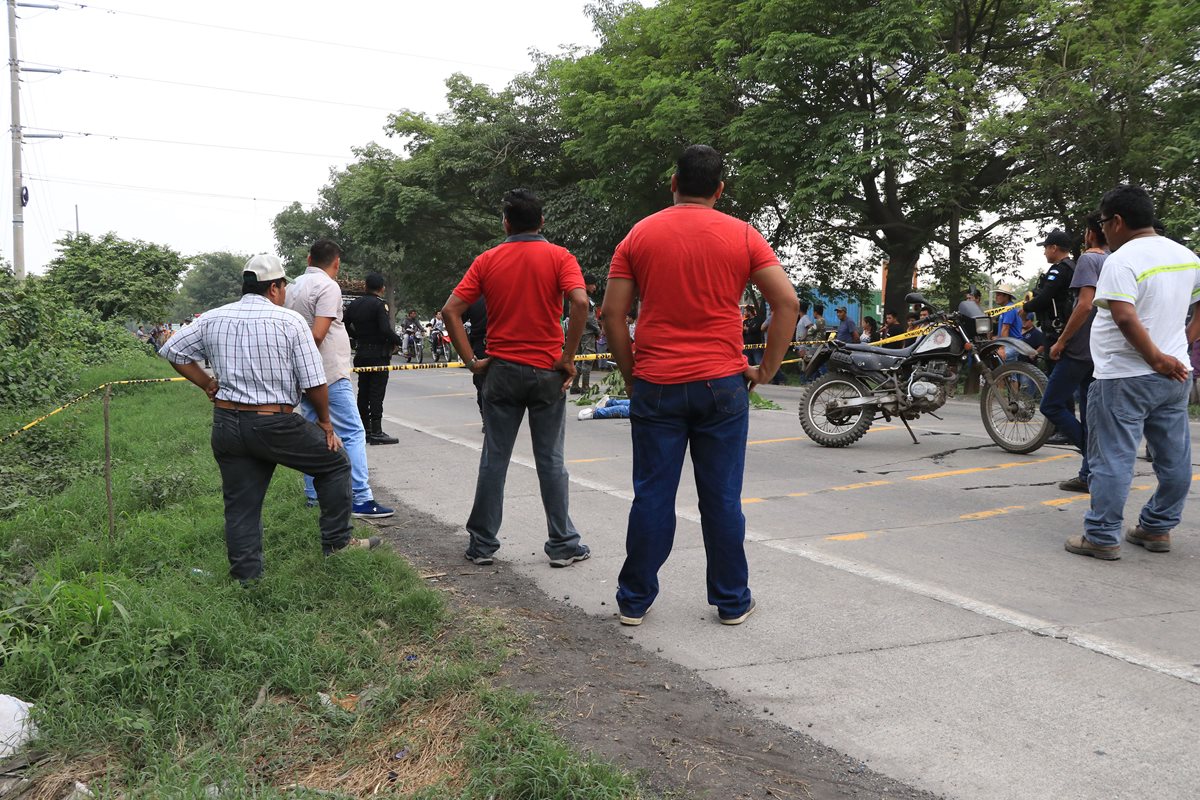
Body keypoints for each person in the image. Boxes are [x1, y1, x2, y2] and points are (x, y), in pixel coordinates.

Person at [602, 144, 799, 627]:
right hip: (722, 385)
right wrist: (766, 370)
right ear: (719, 189)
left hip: (657, 383)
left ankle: (634, 601)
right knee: (721, 498)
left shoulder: (639, 235)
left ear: (673, 183)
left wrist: (632, 375)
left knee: (652, 495)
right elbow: (787, 303)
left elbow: (611, 314)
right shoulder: (743, 235)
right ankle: (731, 601)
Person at [159, 254, 377, 581]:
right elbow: (314, 381)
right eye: (283, 287)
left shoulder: (213, 318)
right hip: (275, 423)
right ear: (274, 287)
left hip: (227, 424)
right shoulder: (290, 321)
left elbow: (172, 350)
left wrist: (206, 384)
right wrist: (325, 423)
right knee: (335, 463)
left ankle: (246, 579)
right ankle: (338, 543)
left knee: (241, 506)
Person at [442, 188, 592, 569]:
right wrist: (568, 358)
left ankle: (481, 545)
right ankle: (562, 544)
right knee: (551, 460)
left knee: (495, 457)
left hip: (501, 371)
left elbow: (450, 311)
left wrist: (472, 361)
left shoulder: (487, 260)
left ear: (506, 223)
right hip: (547, 372)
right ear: (541, 221)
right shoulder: (560, 257)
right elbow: (580, 302)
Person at [1065, 185, 1200, 560]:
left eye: (1103, 222)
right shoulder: (1186, 256)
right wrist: (1180, 345)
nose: (1102, 230)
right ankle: (1157, 528)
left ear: (1118, 221)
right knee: (1173, 458)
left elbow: (1124, 316)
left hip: (1124, 376)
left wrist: (1156, 357)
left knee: (1112, 458)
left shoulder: (1121, 260)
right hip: (1175, 376)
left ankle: (1102, 536)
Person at [285, 239, 394, 519]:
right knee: (353, 432)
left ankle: (314, 497)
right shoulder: (328, 286)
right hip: (328, 373)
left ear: (309, 259)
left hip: (304, 376)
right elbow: (318, 335)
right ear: (336, 263)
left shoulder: (292, 288)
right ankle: (360, 497)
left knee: (314, 435)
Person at [1045, 212, 1108, 493]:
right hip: (1100, 348)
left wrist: (1062, 341)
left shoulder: (1089, 259)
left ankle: (1094, 458)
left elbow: (1084, 305)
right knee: (1089, 413)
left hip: (1079, 347)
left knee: (1051, 404)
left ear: (1091, 234)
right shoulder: (1114, 259)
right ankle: (1088, 474)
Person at [344, 272, 403, 445]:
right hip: (378, 355)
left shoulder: (355, 304)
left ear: (365, 286)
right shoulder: (379, 305)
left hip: (362, 352)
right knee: (376, 393)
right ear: (382, 288)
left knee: (363, 392)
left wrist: (356, 337)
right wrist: (397, 340)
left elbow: (344, 322)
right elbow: (384, 329)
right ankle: (377, 431)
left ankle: (365, 430)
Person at [1023, 229, 1076, 372]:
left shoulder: (1058, 270)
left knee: (1056, 372)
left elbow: (1044, 298)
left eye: (1045, 248)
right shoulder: (1073, 267)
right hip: (1071, 327)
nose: (1044, 252)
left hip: (1056, 330)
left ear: (1054, 248)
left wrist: (1026, 307)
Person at [571, 274, 602, 394]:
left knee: (580, 359)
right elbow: (589, 318)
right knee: (588, 359)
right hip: (588, 332)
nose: (595, 287)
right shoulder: (586, 299)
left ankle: (574, 385)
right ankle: (585, 387)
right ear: (587, 285)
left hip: (579, 332)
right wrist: (598, 330)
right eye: (593, 284)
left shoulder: (577, 297)